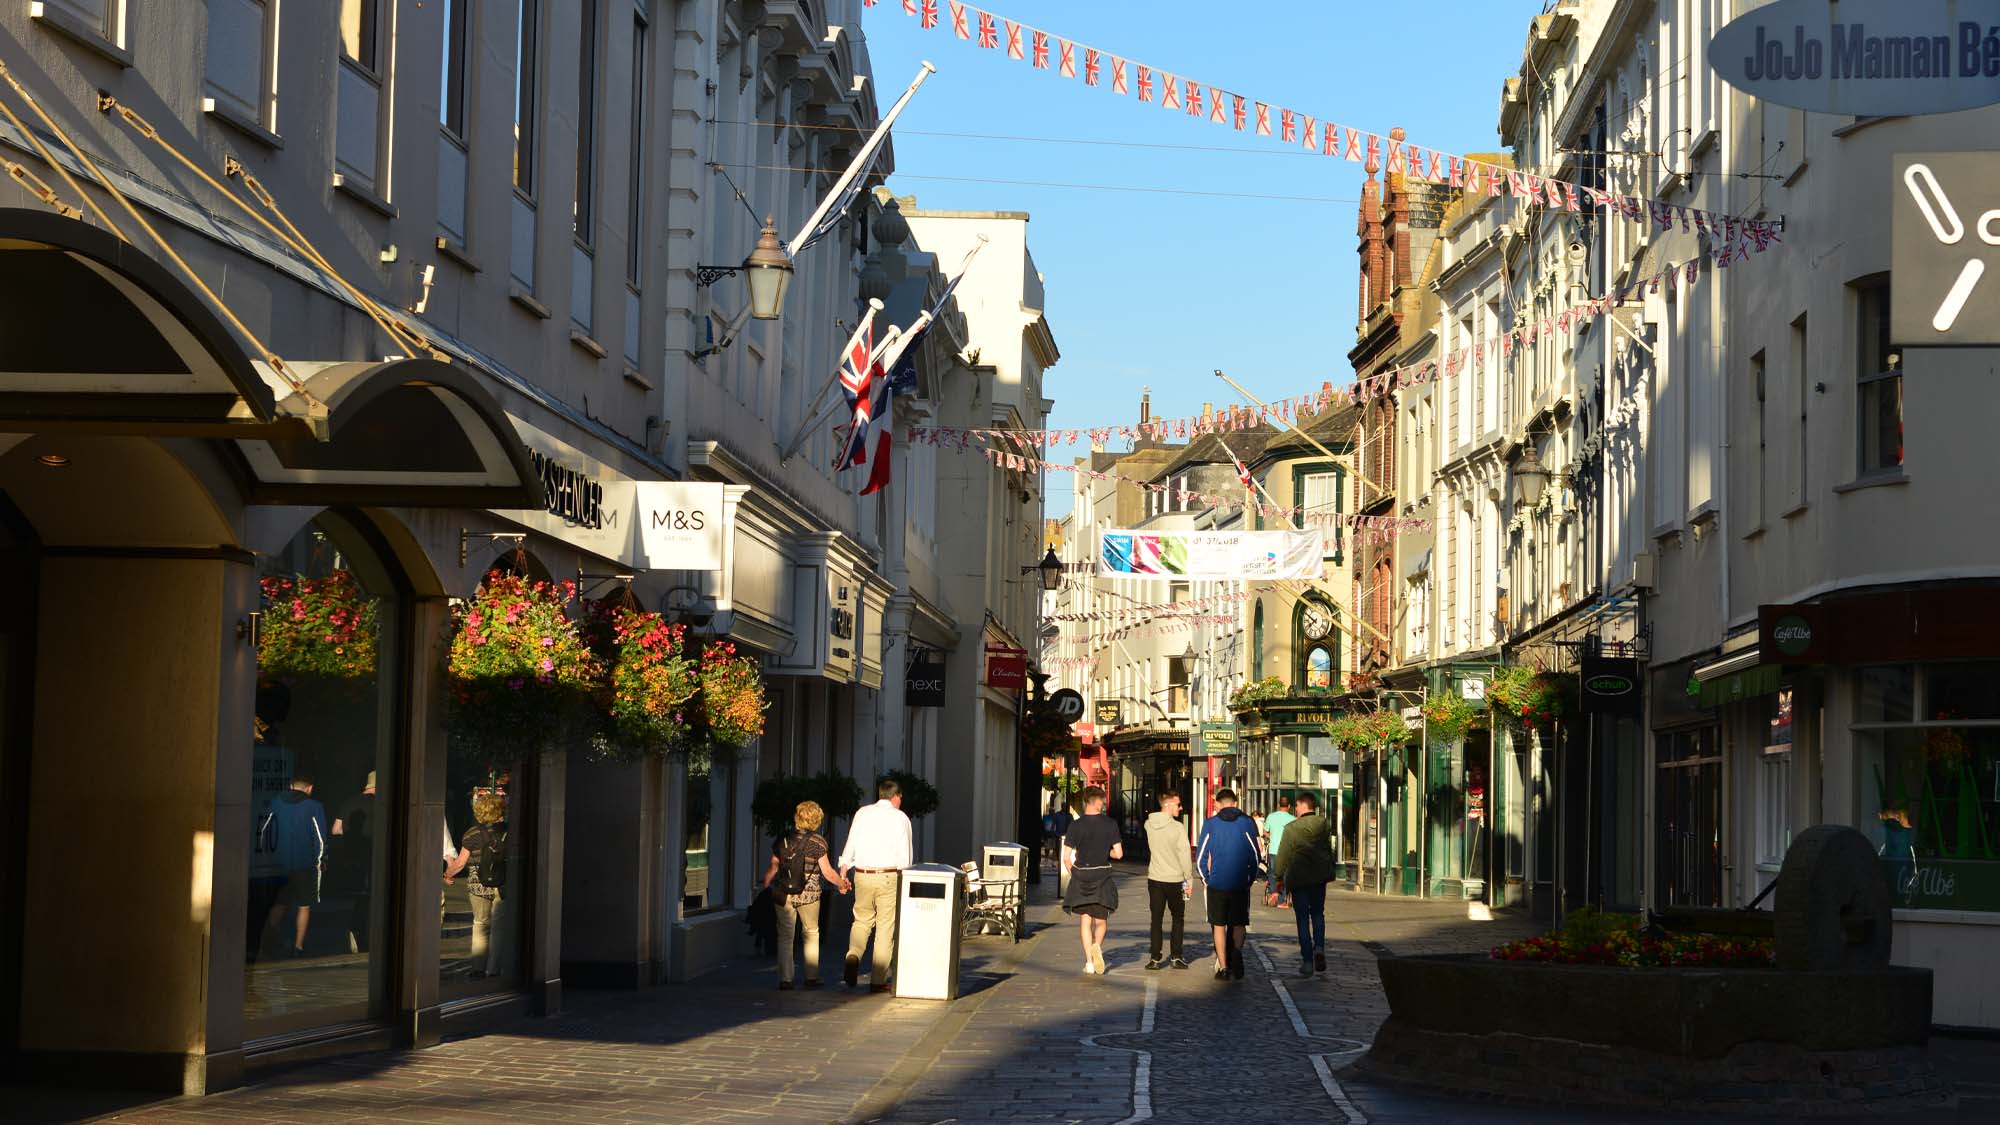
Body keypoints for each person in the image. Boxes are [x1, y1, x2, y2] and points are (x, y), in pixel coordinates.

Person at [760, 800, 851, 990]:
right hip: (809, 895)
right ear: (817, 820)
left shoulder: (783, 839)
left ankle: (786, 979)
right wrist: (842, 884)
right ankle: (811, 977)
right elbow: (826, 872)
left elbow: (773, 866)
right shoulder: (818, 842)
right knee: (810, 933)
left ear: (797, 817)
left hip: (783, 893)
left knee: (785, 936)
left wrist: (766, 885)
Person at [838, 777, 913, 992]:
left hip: (862, 874)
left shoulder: (862, 813)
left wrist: (844, 871)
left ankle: (853, 954)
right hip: (888, 875)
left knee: (861, 919)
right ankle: (878, 979)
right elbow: (905, 858)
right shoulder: (901, 818)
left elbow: (850, 843)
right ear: (896, 796)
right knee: (885, 927)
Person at [258, 769, 329, 958]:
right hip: (305, 865)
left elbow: (264, 832)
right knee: (304, 905)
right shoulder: (314, 806)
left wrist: (267, 857)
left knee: (279, 904)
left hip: (279, 865)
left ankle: (269, 941)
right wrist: (322, 859)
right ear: (310, 788)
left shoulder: (275, 803)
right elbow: (320, 838)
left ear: (290, 786)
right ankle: (298, 947)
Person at [1195, 787, 1263, 981]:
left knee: (1218, 925)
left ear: (1218, 803)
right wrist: (1249, 878)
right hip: (1240, 883)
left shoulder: (1210, 824)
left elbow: (1200, 856)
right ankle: (1237, 951)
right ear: (1235, 803)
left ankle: (1223, 967)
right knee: (1239, 922)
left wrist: (1206, 878)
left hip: (1217, 882)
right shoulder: (1247, 823)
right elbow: (1256, 854)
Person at [444, 791, 510, 979]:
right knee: (498, 927)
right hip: (502, 882)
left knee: (480, 924)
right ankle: (494, 968)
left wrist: (448, 874)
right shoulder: (507, 831)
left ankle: (478, 967)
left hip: (477, 882)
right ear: (499, 811)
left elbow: (461, 863)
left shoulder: (472, 833)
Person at [1273, 791, 1337, 977]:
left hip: (1298, 878)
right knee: (1318, 913)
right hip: (1319, 877)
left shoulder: (1291, 828)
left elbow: (1283, 855)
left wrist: (1278, 878)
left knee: (1302, 918)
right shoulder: (1324, 824)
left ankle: (1307, 961)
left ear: (1302, 805)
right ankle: (1319, 947)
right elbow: (1328, 847)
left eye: (1298, 805)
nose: (1296, 808)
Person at [1062, 785, 1124, 974]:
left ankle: (1089, 962)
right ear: (1097, 802)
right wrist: (1108, 851)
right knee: (1101, 921)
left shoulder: (1076, 825)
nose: (1104, 804)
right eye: (1103, 801)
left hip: (1082, 876)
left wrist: (1075, 875)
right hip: (1102, 877)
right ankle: (1097, 945)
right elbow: (1119, 854)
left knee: (1085, 922)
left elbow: (1066, 857)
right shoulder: (1110, 824)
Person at [1143, 791, 1195, 970]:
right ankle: (1176, 956)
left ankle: (1155, 957)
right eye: (1178, 804)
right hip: (1175, 879)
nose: (1180, 808)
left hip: (1155, 878)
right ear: (1168, 805)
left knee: (1156, 919)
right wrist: (1189, 879)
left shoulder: (1149, 824)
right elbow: (1184, 854)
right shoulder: (1177, 828)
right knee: (1178, 917)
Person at [329, 770, 377, 952]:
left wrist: (351, 835)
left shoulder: (349, 802)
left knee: (359, 898)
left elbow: (335, 830)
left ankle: (353, 932)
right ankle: (364, 935)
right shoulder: (379, 804)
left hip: (351, 858)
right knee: (371, 899)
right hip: (371, 858)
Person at [1262, 794, 1296, 908]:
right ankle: (1282, 901)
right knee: (1285, 875)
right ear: (1289, 806)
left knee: (1272, 873)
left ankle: (1274, 892)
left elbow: (1265, 832)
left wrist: (1272, 837)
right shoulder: (1293, 819)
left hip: (1273, 851)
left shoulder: (1271, 817)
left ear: (1278, 805)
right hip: (1287, 852)